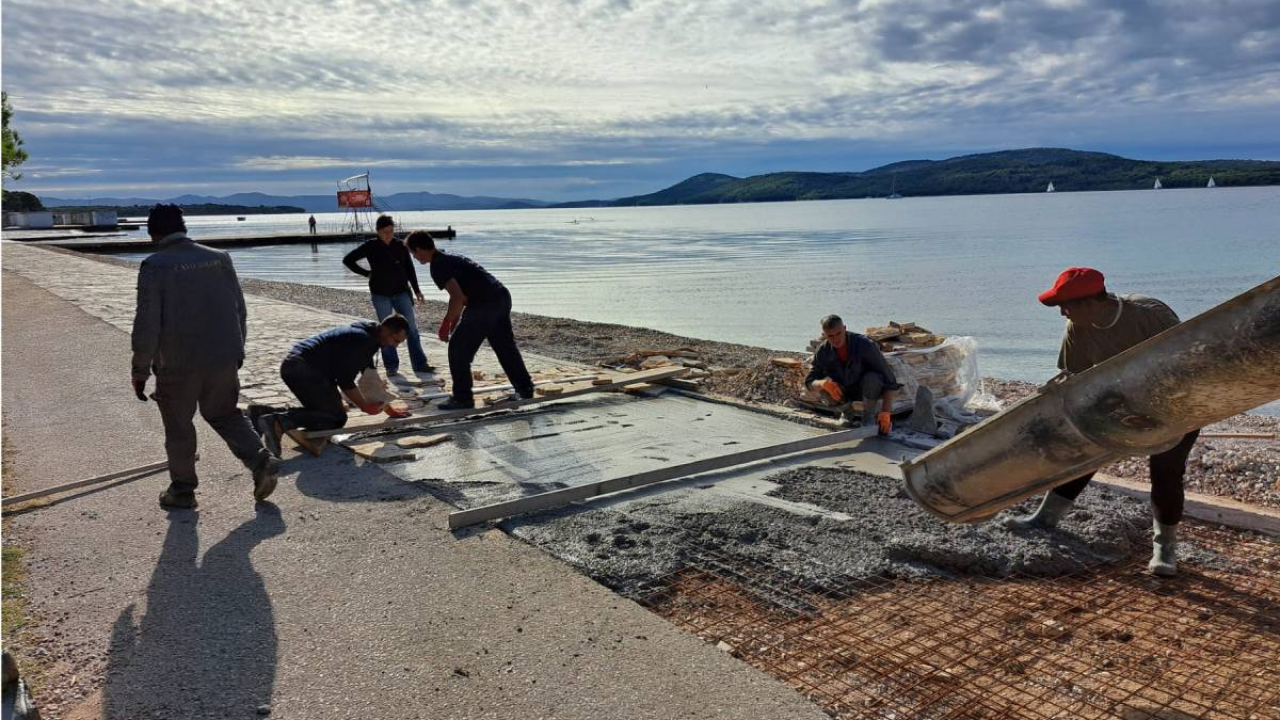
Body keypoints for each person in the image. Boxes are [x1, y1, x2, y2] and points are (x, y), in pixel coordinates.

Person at [1008, 267, 1195, 577]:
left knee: (1165, 470)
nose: (1062, 314)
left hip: (1177, 402)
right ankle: (1045, 518)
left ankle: (1165, 547)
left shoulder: (1149, 314)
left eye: (1065, 307)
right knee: (1084, 449)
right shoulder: (1076, 328)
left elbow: (1188, 357)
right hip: (1122, 402)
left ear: (1089, 303)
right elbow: (1075, 376)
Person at [131, 204, 279, 509]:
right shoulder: (219, 258)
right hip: (223, 356)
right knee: (225, 414)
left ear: (153, 232)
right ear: (184, 228)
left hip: (177, 362)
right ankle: (260, 460)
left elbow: (147, 323)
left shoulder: (154, 265)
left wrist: (140, 370)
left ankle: (183, 490)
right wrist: (237, 350)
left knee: (179, 425)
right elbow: (240, 309)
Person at [405, 230, 535, 410]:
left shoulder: (437, 265)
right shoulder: (448, 256)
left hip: (484, 303)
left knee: (458, 350)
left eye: (413, 253)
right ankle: (525, 387)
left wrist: (445, 324)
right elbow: (463, 297)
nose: (414, 258)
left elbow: (457, 297)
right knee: (504, 346)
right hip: (501, 296)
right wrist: (454, 321)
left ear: (419, 249)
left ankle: (462, 398)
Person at [254, 315, 412, 457]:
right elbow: (345, 381)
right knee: (336, 418)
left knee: (332, 412)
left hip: (301, 367)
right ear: (385, 329)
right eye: (396, 340)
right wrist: (364, 407)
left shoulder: (371, 333)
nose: (395, 346)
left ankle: (265, 412)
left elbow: (370, 380)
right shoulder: (364, 341)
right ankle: (278, 421)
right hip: (302, 370)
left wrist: (389, 409)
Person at [342, 214, 432, 376]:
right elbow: (348, 260)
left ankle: (420, 364)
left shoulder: (400, 245)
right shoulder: (370, 246)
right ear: (377, 231)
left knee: (411, 328)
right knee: (385, 331)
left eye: (391, 231)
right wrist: (366, 273)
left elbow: (409, 269)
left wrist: (417, 290)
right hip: (380, 294)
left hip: (402, 292)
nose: (388, 235)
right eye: (385, 232)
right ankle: (391, 367)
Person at [803, 314, 900, 433]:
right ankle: (847, 414)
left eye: (839, 333)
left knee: (872, 378)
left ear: (844, 328)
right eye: (830, 336)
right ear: (825, 335)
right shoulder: (823, 351)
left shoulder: (865, 345)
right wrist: (822, 383)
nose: (836, 339)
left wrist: (886, 412)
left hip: (868, 390)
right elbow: (809, 381)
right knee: (824, 387)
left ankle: (868, 418)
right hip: (845, 391)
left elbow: (890, 380)